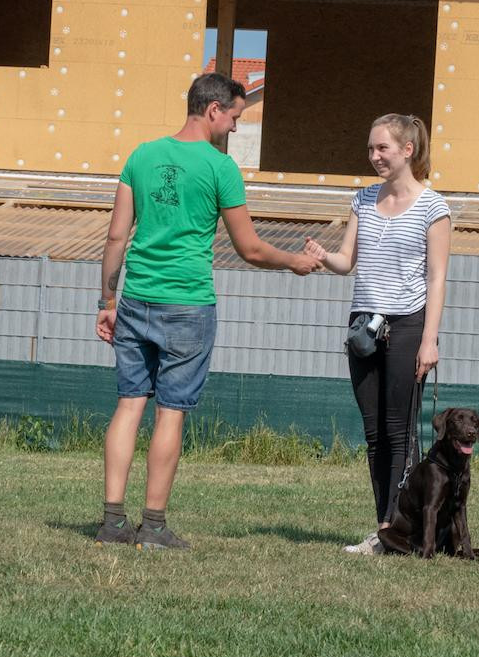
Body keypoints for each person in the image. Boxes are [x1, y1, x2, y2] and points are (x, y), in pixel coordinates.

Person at [94, 72, 321, 549]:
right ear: (214, 109)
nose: (235, 127)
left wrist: (108, 302)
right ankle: (154, 527)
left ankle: (112, 522)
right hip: (188, 304)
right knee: (170, 413)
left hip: (136, 299)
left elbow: (116, 237)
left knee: (129, 405)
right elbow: (250, 249)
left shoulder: (141, 156)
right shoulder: (220, 168)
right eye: (235, 117)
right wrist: (294, 262)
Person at [304, 113, 451, 555]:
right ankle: (385, 526)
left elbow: (437, 278)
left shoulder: (433, 207)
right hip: (363, 326)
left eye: (382, 148)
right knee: (374, 434)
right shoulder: (363, 199)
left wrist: (429, 339)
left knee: (399, 431)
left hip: (407, 324)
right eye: (370, 148)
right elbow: (347, 260)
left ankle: (396, 530)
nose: (374, 156)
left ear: (408, 149)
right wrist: (323, 256)